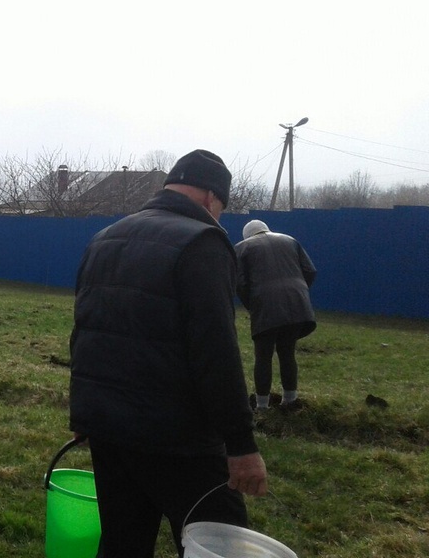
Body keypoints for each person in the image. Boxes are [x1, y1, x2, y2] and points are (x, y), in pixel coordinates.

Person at [69, 149, 267, 557]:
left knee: (123, 544)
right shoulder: (203, 242)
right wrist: (241, 445)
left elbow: (88, 331)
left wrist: (85, 413)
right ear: (212, 197)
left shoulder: (105, 238)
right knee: (221, 544)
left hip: (109, 432)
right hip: (179, 440)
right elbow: (216, 353)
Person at [235, 220, 317, 411]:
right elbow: (310, 270)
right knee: (287, 353)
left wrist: (252, 304)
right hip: (297, 304)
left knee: (263, 356)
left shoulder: (242, 247)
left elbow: (240, 283)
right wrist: (300, 291)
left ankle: (262, 406)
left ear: (247, 235)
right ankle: (290, 400)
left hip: (265, 306)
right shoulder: (290, 240)